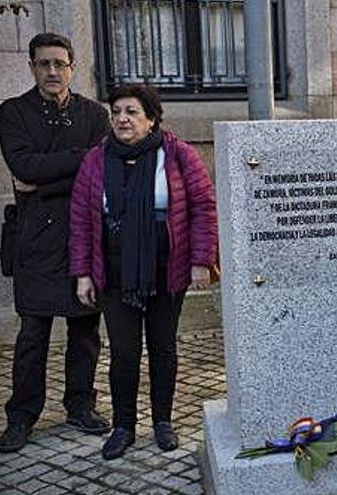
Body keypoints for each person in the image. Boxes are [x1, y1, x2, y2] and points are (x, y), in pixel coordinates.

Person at [69, 84, 218, 460]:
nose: (122, 118)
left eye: (132, 112)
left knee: (163, 348)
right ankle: (123, 426)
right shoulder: (96, 159)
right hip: (115, 272)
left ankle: (163, 422)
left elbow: (203, 206)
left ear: (151, 119)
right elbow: (82, 220)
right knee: (124, 351)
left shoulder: (178, 154)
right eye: (117, 111)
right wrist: (83, 273)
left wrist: (202, 259)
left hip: (167, 268)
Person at [0, 32, 111, 453]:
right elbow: (21, 163)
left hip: (83, 233)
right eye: (43, 64)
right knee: (33, 333)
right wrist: (80, 159)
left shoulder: (95, 114)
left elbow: (99, 171)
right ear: (31, 67)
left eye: (60, 64)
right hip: (35, 239)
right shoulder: (13, 112)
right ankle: (22, 416)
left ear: (72, 67)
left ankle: (81, 405)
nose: (52, 72)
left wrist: (40, 182)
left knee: (85, 329)